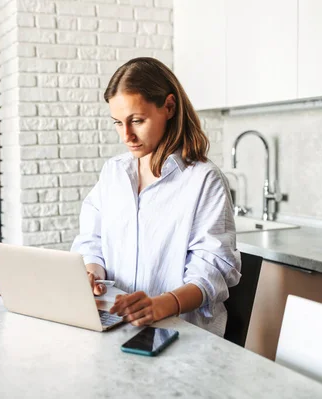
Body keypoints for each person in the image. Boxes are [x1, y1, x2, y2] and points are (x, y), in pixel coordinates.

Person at [70, 57, 241, 337]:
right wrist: (92, 273)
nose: (127, 135)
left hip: (181, 334)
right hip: (117, 327)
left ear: (169, 107)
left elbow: (213, 270)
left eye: (137, 120)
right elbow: (92, 240)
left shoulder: (203, 180)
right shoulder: (114, 173)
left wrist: (164, 304)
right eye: (117, 123)